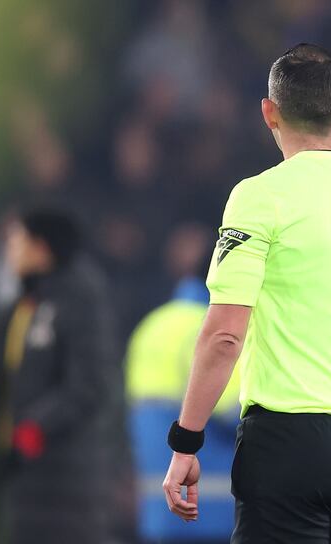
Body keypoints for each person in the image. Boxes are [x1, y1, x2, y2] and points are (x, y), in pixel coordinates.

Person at [161, 43, 331, 544]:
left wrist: (186, 442)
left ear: (269, 112)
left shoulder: (258, 197)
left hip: (288, 438)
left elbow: (224, 335)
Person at [0, 207, 122, 544]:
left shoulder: (82, 298)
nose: (10, 251)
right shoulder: (19, 308)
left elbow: (89, 383)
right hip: (18, 472)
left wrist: (35, 428)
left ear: (41, 247)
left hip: (65, 474)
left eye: (17, 240)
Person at [126, 225, 240, 543]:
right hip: (212, 512)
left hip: (159, 511)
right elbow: (234, 412)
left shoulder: (153, 325)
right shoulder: (210, 329)